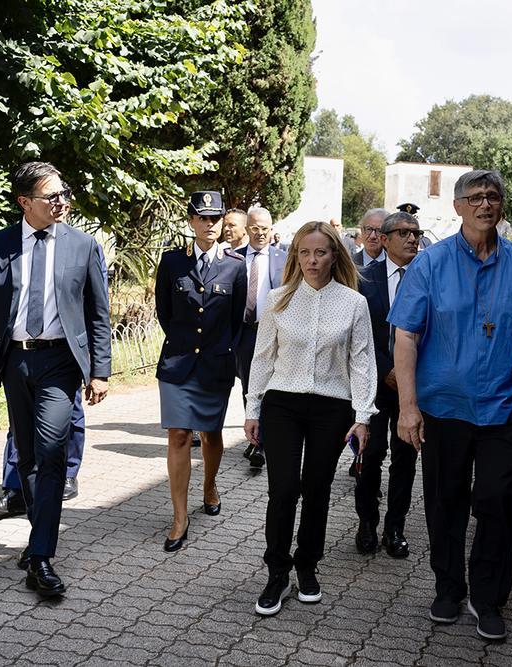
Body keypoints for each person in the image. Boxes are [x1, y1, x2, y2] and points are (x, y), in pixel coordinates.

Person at [389, 170, 512, 640]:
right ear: (459, 206)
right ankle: (448, 588)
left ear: (502, 206)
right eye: (476, 197)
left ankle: (488, 597)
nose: (486, 204)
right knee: (445, 502)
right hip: (443, 410)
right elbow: (406, 336)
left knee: (499, 499)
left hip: (505, 409)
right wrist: (408, 407)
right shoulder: (430, 264)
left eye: (493, 197)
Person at [0, 161, 111, 597]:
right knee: (26, 457)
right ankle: (37, 539)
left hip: (61, 363)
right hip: (15, 363)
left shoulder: (83, 246)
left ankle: (42, 557)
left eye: (64, 193)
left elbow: (98, 313)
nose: (62, 202)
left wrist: (100, 370)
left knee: (50, 454)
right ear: (24, 202)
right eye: (52, 197)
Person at [243, 221, 376, 617]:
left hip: (332, 407)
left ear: (334, 254)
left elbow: (362, 362)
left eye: (320, 253)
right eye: (304, 253)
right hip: (282, 403)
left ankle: (307, 565)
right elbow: (262, 357)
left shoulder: (354, 303)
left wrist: (363, 415)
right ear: (295, 256)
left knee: (317, 490)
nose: (312, 260)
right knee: (283, 489)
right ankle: (277, 572)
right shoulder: (278, 300)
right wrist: (252, 409)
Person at [0, 243, 108, 518]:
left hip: (65, 353)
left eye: (62, 199)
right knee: (19, 424)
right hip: (23, 355)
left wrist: (94, 361)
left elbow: (96, 304)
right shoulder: (23, 244)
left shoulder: (82, 246)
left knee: (71, 416)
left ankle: (68, 473)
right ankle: (14, 489)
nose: (58, 207)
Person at [154, 191, 245, 550]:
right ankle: (180, 518)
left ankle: (209, 485)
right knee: (178, 435)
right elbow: (165, 312)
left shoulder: (236, 266)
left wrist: (221, 350)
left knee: (211, 435)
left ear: (223, 222)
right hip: (177, 364)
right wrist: (183, 344)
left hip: (215, 364)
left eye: (215, 218)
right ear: (191, 221)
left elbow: (237, 319)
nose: (209, 225)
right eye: (202, 218)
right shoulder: (173, 262)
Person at [354, 211, 422, 558]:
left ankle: (395, 528)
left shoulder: (428, 278)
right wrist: (386, 370)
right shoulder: (364, 279)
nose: (412, 239)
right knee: (372, 452)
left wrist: (409, 373)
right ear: (384, 238)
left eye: (416, 233)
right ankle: (367, 521)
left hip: (414, 388)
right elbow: (359, 335)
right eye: (404, 233)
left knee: (406, 459)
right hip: (376, 385)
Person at [235, 206, 286, 469]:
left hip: (277, 335)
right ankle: (255, 436)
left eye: (265, 228)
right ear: (247, 229)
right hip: (246, 333)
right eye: (255, 228)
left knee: (272, 388)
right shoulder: (233, 258)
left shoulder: (284, 259)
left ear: (271, 230)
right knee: (249, 388)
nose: (260, 233)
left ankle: (263, 442)